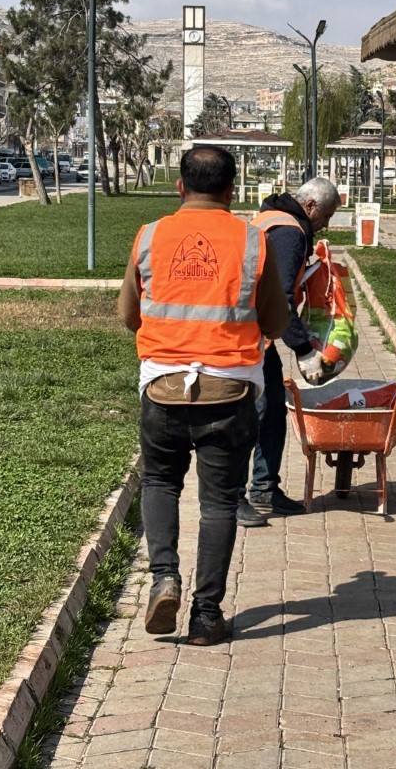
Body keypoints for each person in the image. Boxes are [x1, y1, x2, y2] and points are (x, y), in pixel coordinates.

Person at [119, 145, 290, 645]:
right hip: (230, 394)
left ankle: (163, 578)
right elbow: (276, 322)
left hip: (163, 390)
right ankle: (206, 616)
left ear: (180, 187)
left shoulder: (149, 236)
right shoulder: (253, 241)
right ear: (231, 190)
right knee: (218, 504)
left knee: (159, 483)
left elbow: (130, 314)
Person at [237, 176, 342, 527]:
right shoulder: (290, 232)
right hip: (246, 332)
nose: (326, 225)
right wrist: (303, 349)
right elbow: (280, 295)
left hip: (250, 328)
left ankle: (264, 488)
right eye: (325, 215)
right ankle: (236, 495)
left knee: (269, 409)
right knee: (252, 413)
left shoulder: (272, 218)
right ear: (310, 206)